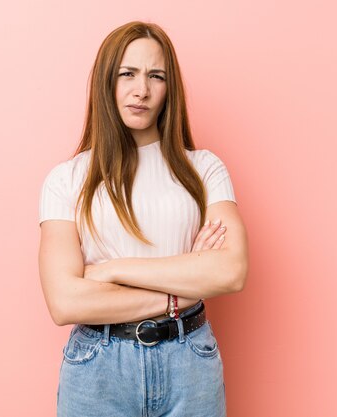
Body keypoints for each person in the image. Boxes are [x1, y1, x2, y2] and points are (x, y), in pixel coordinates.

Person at [38, 20, 249, 417]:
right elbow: (65, 301)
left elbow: (231, 271)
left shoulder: (204, 170)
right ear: (107, 82)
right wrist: (181, 294)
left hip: (190, 362)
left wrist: (111, 271)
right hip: (98, 368)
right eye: (127, 74)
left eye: (156, 76)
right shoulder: (66, 180)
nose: (142, 90)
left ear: (170, 89)